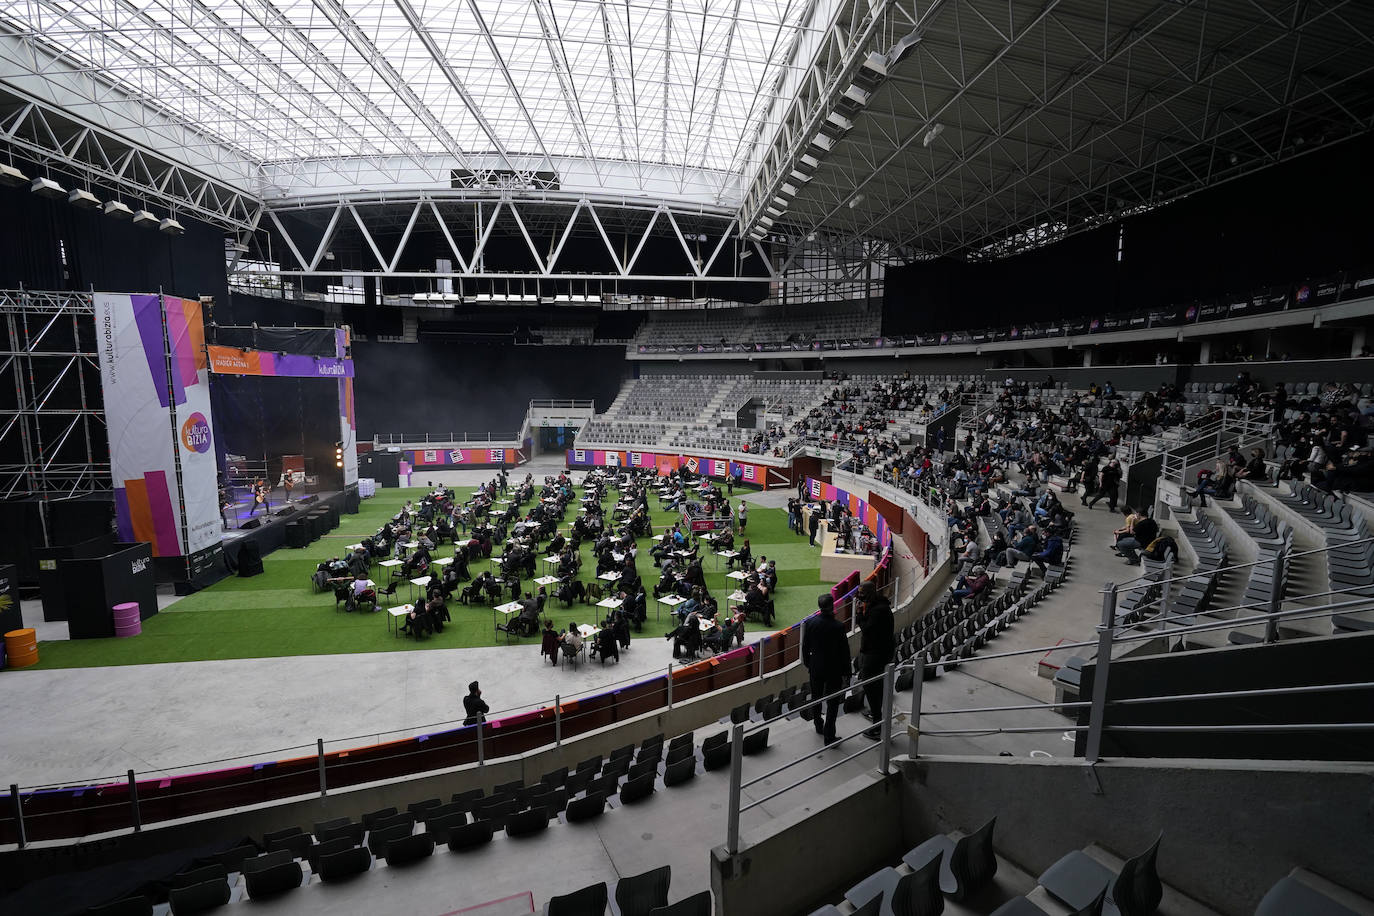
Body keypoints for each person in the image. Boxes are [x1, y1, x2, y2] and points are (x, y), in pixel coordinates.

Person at [801, 594, 850, 744]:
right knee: (832, 703)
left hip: (816, 668)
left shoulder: (810, 623)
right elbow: (844, 652)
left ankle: (818, 725)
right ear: (832, 606)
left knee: (816, 698)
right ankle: (829, 736)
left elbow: (805, 647)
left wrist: (810, 664)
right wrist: (847, 672)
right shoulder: (838, 626)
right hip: (833, 670)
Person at [855, 580, 894, 739]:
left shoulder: (878, 611)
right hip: (877, 652)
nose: (859, 596)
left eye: (862, 593)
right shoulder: (879, 605)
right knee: (874, 685)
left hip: (875, 654)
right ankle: (875, 712)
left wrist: (859, 614)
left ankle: (877, 725)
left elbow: (866, 629)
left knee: (871, 686)